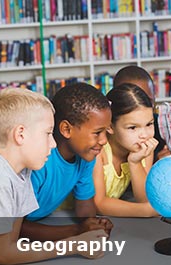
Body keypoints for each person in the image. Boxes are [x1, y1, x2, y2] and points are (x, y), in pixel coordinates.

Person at [0, 88, 107, 264]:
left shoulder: (21, 174)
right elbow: (2, 255)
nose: (53, 143)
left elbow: (11, 246)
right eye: (47, 134)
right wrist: (73, 245)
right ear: (20, 134)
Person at [21, 83, 113, 241]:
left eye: (106, 131)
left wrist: (93, 225)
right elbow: (15, 226)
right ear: (66, 129)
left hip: (40, 224)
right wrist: (77, 231)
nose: (104, 140)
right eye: (97, 132)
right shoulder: (38, 161)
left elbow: (84, 207)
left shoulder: (86, 157)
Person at [93, 83, 158, 217]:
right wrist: (145, 211)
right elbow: (97, 203)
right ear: (110, 127)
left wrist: (135, 163)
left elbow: (145, 199)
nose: (144, 135)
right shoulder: (98, 151)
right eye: (133, 127)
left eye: (149, 124)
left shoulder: (145, 149)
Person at [113, 65, 165, 159]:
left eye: (146, 100)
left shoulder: (161, 127)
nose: (139, 105)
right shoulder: (101, 142)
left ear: (154, 99)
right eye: (129, 101)